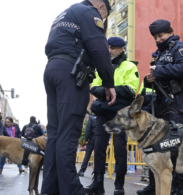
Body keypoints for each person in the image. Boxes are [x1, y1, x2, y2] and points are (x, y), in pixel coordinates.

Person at [42, 0, 116, 194]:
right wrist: (109, 82)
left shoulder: (66, 13)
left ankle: (50, 189)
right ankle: (72, 190)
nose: (102, 19)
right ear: (101, 6)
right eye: (104, 15)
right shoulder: (89, 12)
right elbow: (99, 48)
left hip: (52, 69)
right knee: (68, 134)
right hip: (70, 74)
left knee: (55, 135)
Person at [137, 19, 183, 195]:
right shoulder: (157, 54)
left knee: (179, 147)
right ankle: (156, 186)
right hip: (160, 104)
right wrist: (149, 80)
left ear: (170, 32)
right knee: (159, 147)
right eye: (155, 37)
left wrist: (159, 72)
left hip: (177, 102)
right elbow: (157, 78)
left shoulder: (181, 48)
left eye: (160, 35)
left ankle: (182, 187)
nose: (158, 39)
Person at [87, 36, 140, 195]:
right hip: (104, 111)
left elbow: (131, 90)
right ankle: (97, 183)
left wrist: (110, 91)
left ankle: (119, 185)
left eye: (112, 48)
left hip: (120, 114)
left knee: (119, 147)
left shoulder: (130, 66)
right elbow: (94, 88)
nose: (109, 51)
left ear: (122, 49)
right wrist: (106, 91)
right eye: (107, 47)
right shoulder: (101, 67)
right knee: (100, 145)